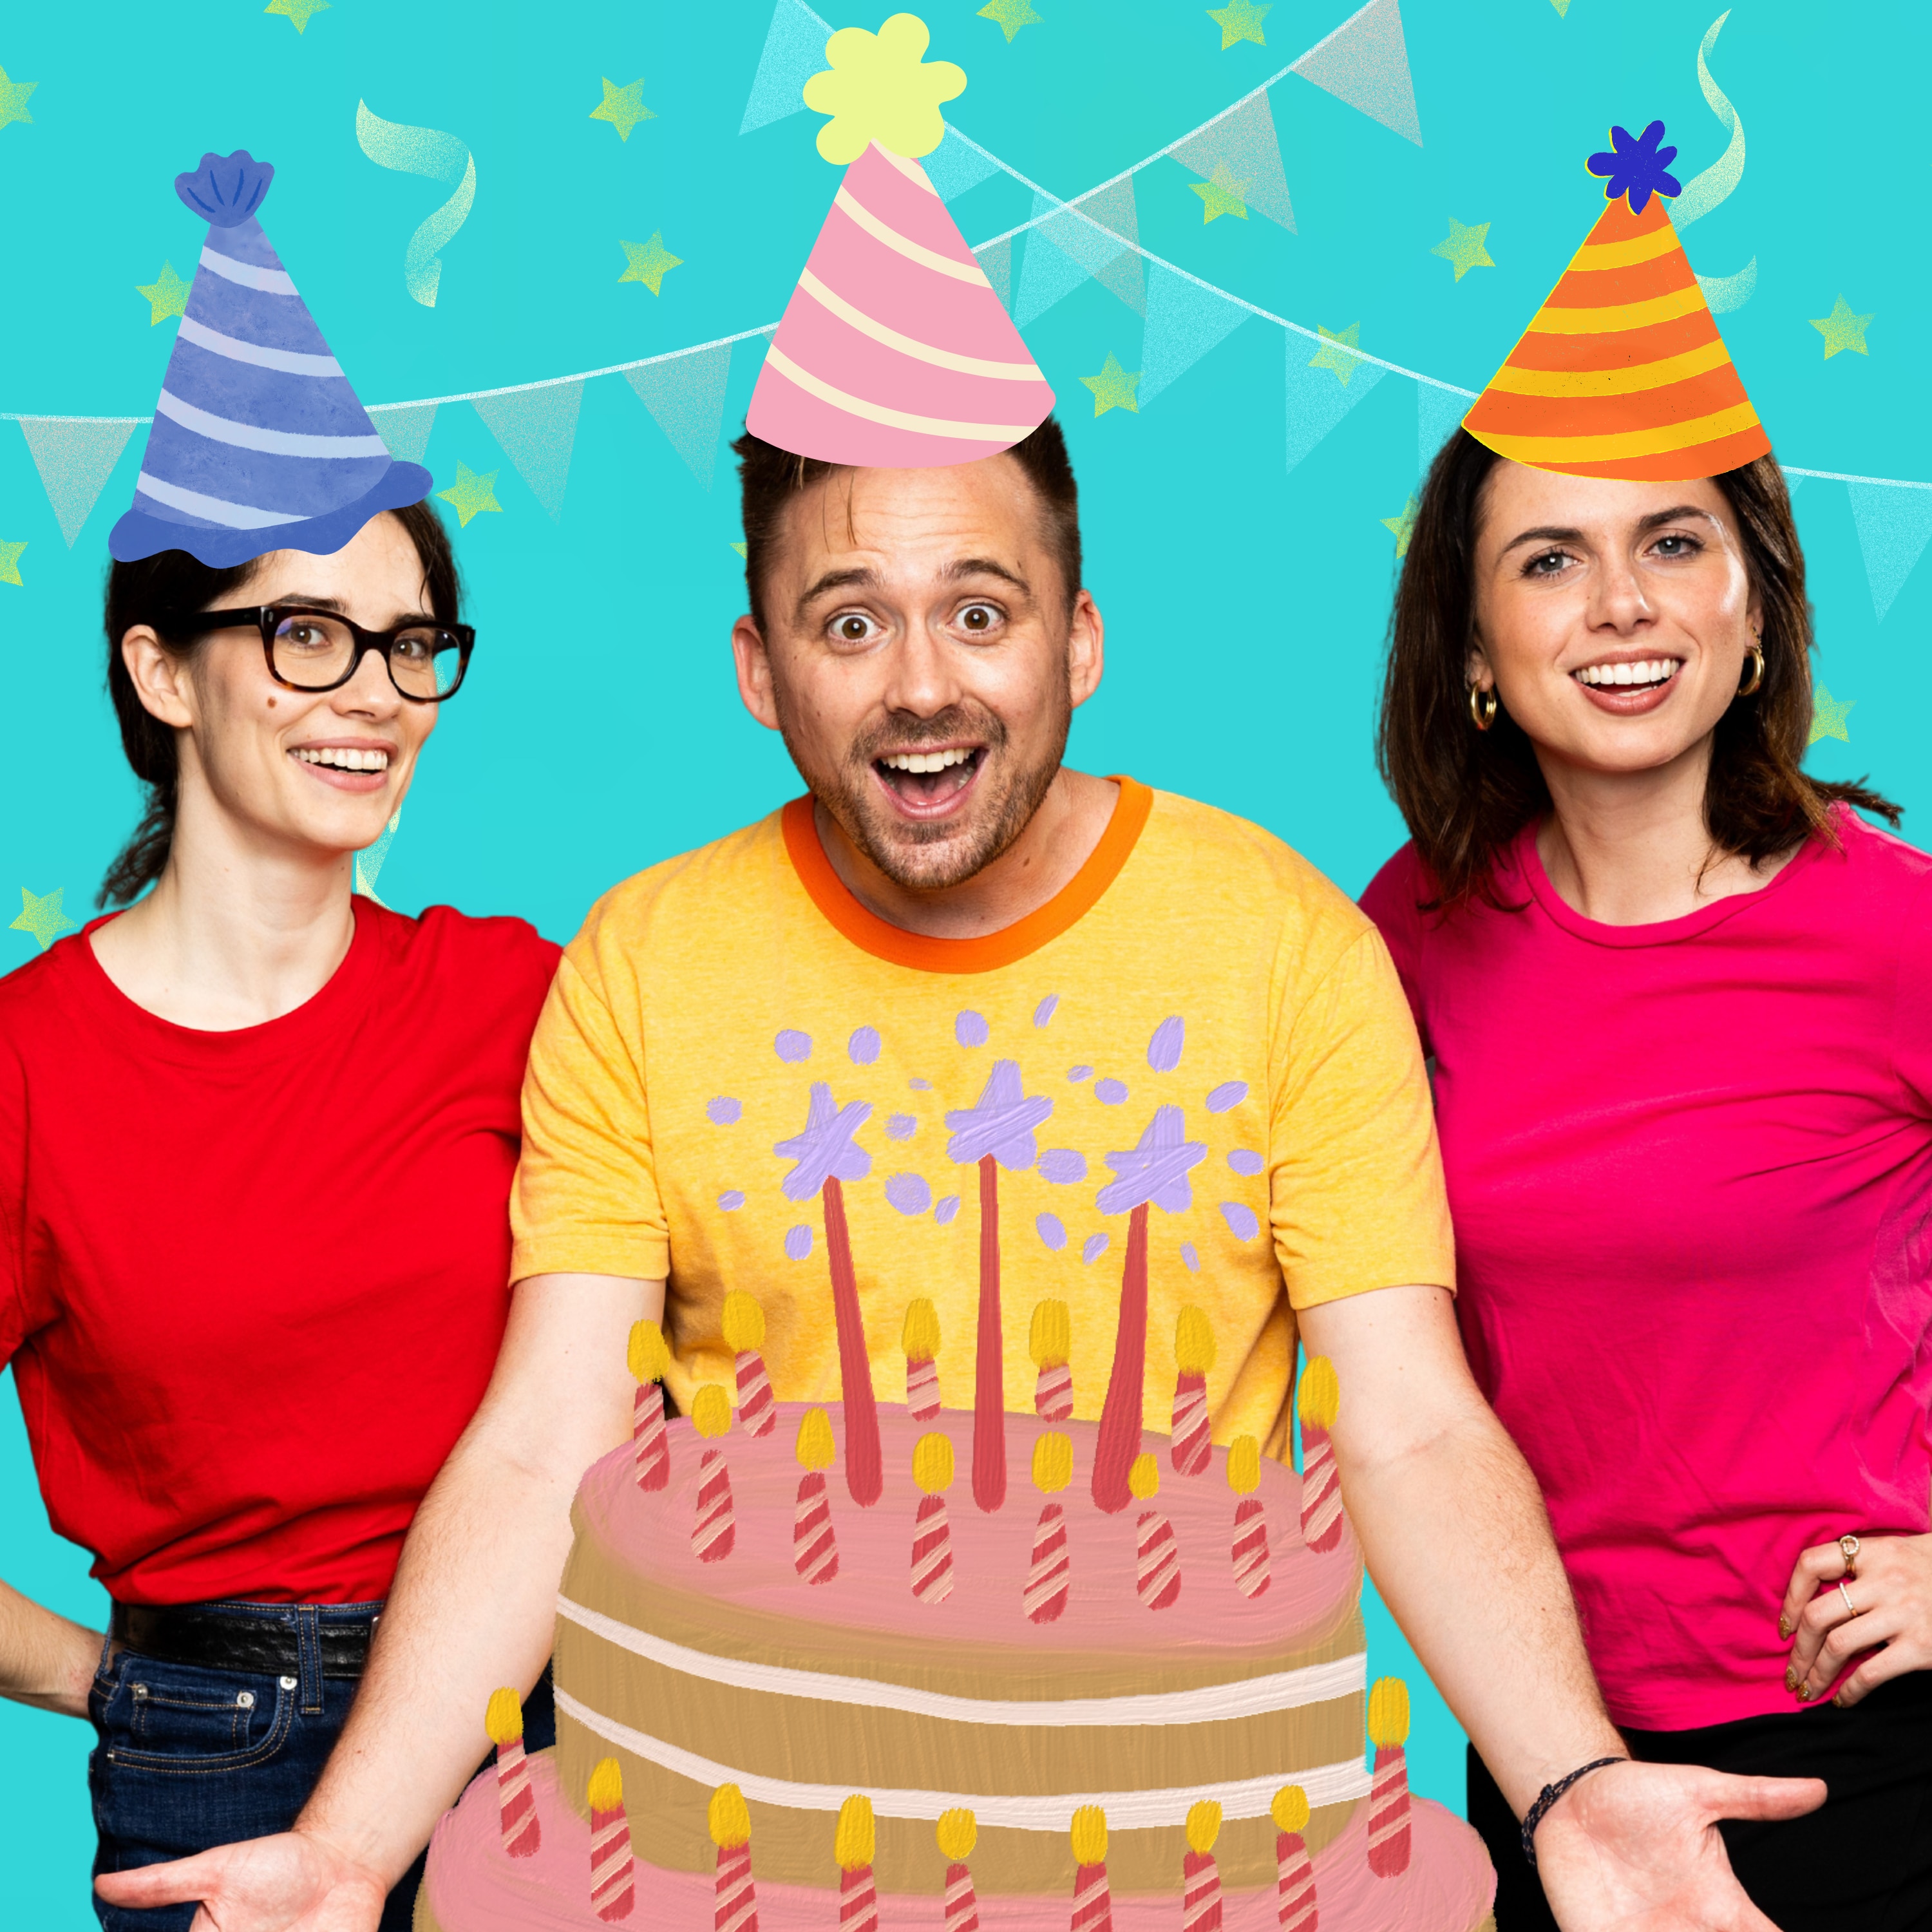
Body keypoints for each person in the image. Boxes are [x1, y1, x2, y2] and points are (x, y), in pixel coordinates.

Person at [104, 94, 1821, 1925]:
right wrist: (358, 1847)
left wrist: (1567, 1776)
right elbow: (546, 1442)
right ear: (759, 670)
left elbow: (1407, 1421)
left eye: (981, 612)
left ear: (1080, 639)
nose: (923, 688)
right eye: (849, 624)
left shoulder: (1285, 948)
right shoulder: (649, 960)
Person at [1361, 123, 1932, 1928]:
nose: (1618, 603)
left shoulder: (1894, 931)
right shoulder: (1397, 941)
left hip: (1884, 1753)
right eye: (1548, 561)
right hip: (1558, 1756)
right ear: (1471, 641)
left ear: (1750, 607)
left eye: (1673, 543)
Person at [0, 151, 559, 1931]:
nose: (379, 696)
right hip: (220, 1748)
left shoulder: (509, 996)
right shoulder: (28, 1066)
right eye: (310, 636)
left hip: (553, 1725)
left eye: (411, 645)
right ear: (164, 674)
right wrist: (113, 1683)